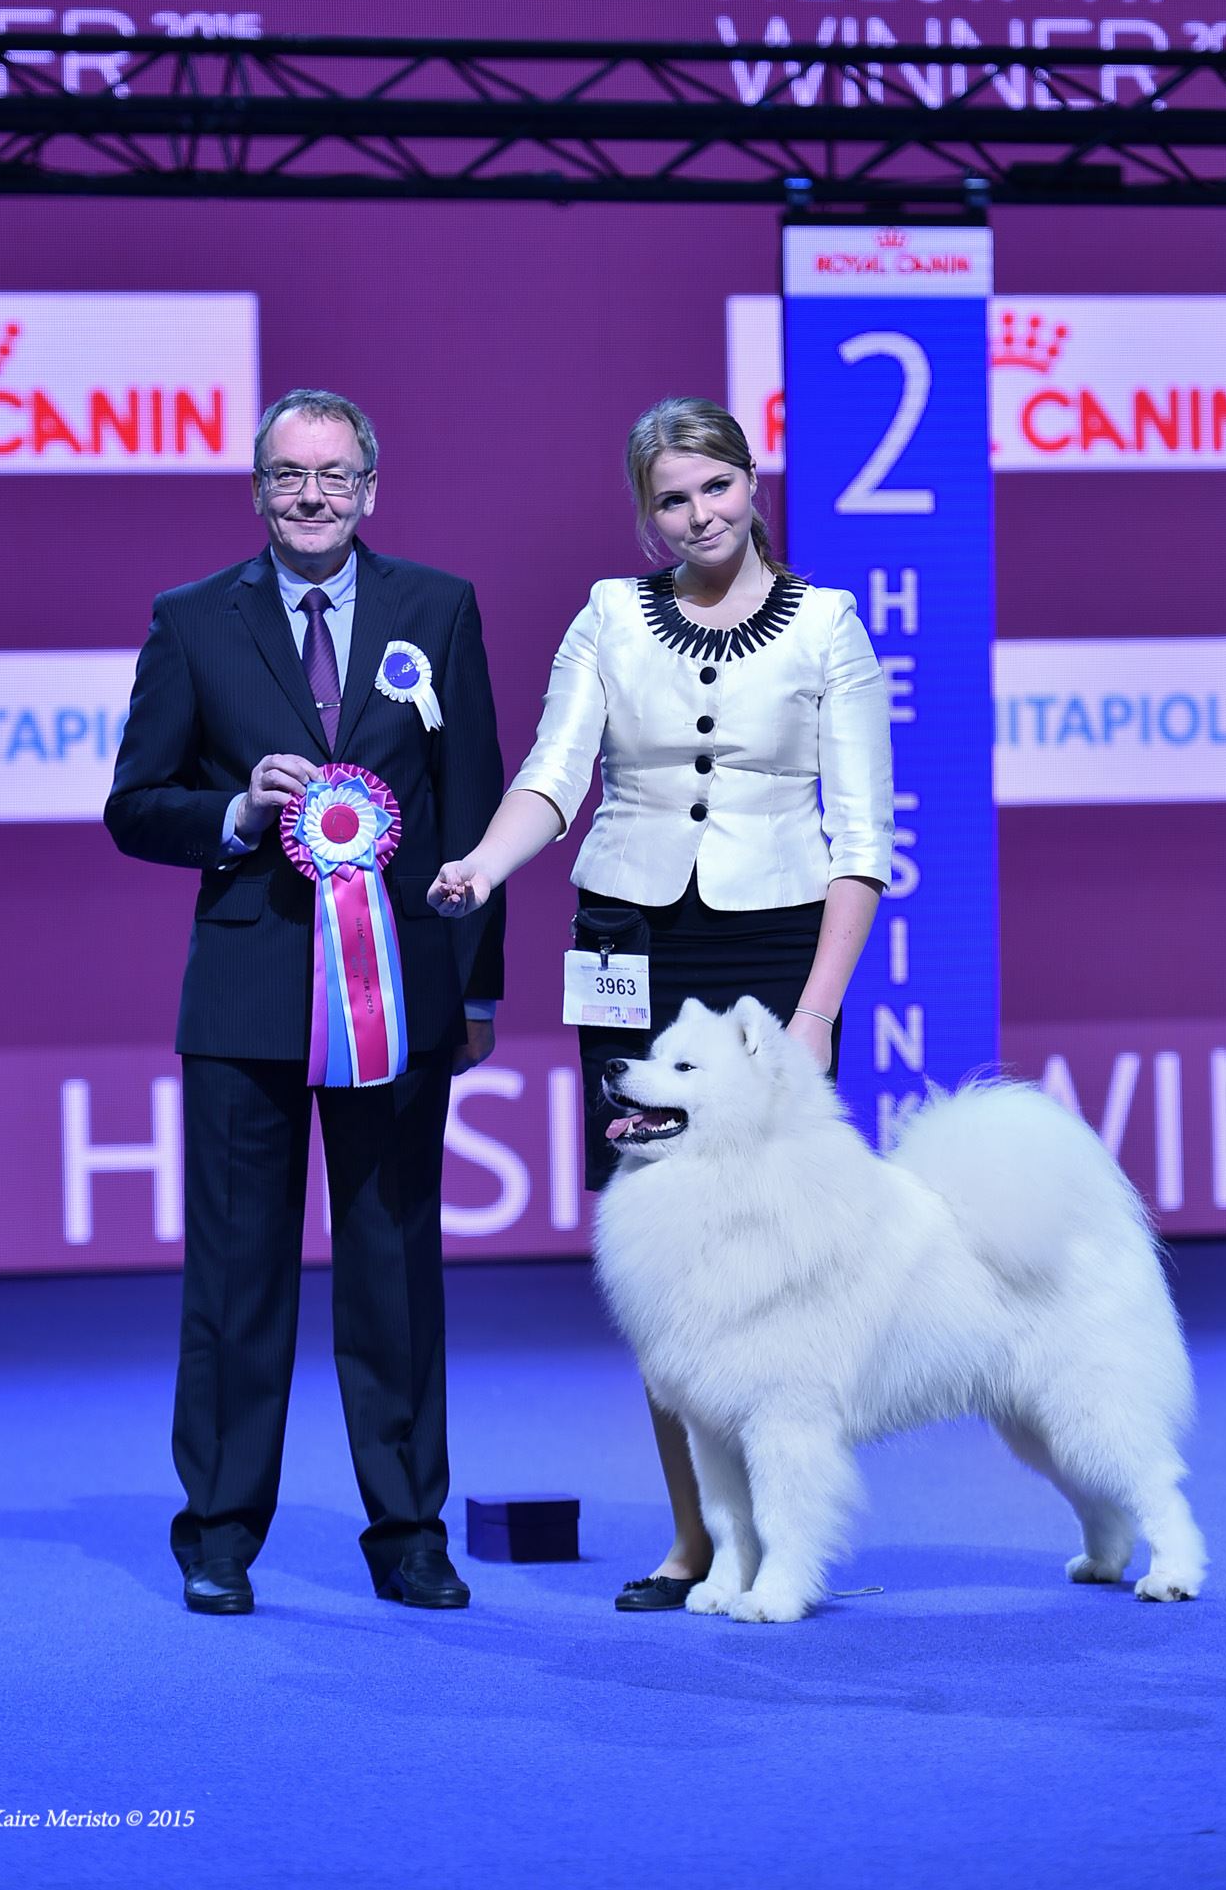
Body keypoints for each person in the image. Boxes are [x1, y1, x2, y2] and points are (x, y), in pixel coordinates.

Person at [429, 396, 893, 1610]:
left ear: (751, 483)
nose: (696, 515)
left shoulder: (829, 627)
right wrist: (483, 863)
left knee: (767, 1244)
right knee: (658, 1246)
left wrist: (812, 1013)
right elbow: (552, 773)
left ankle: (773, 1532)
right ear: (646, 512)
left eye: (714, 488)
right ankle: (695, 1537)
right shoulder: (608, 617)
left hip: (776, 959)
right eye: (670, 499)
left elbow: (861, 839)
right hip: (629, 941)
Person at [105, 387, 504, 1616]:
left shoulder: (436, 607)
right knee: (235, 1278)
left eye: (334, 474)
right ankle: (219, 1531)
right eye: (288, 476)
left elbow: (476, 797)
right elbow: (134, 804)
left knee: (394, 1265)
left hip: (400, 996)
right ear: (258, 491)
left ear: (371, 487)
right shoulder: (191, 620)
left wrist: (478, 983)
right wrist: (232, 813)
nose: (313, 495)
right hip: (245, 997)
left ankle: (409, 1532)